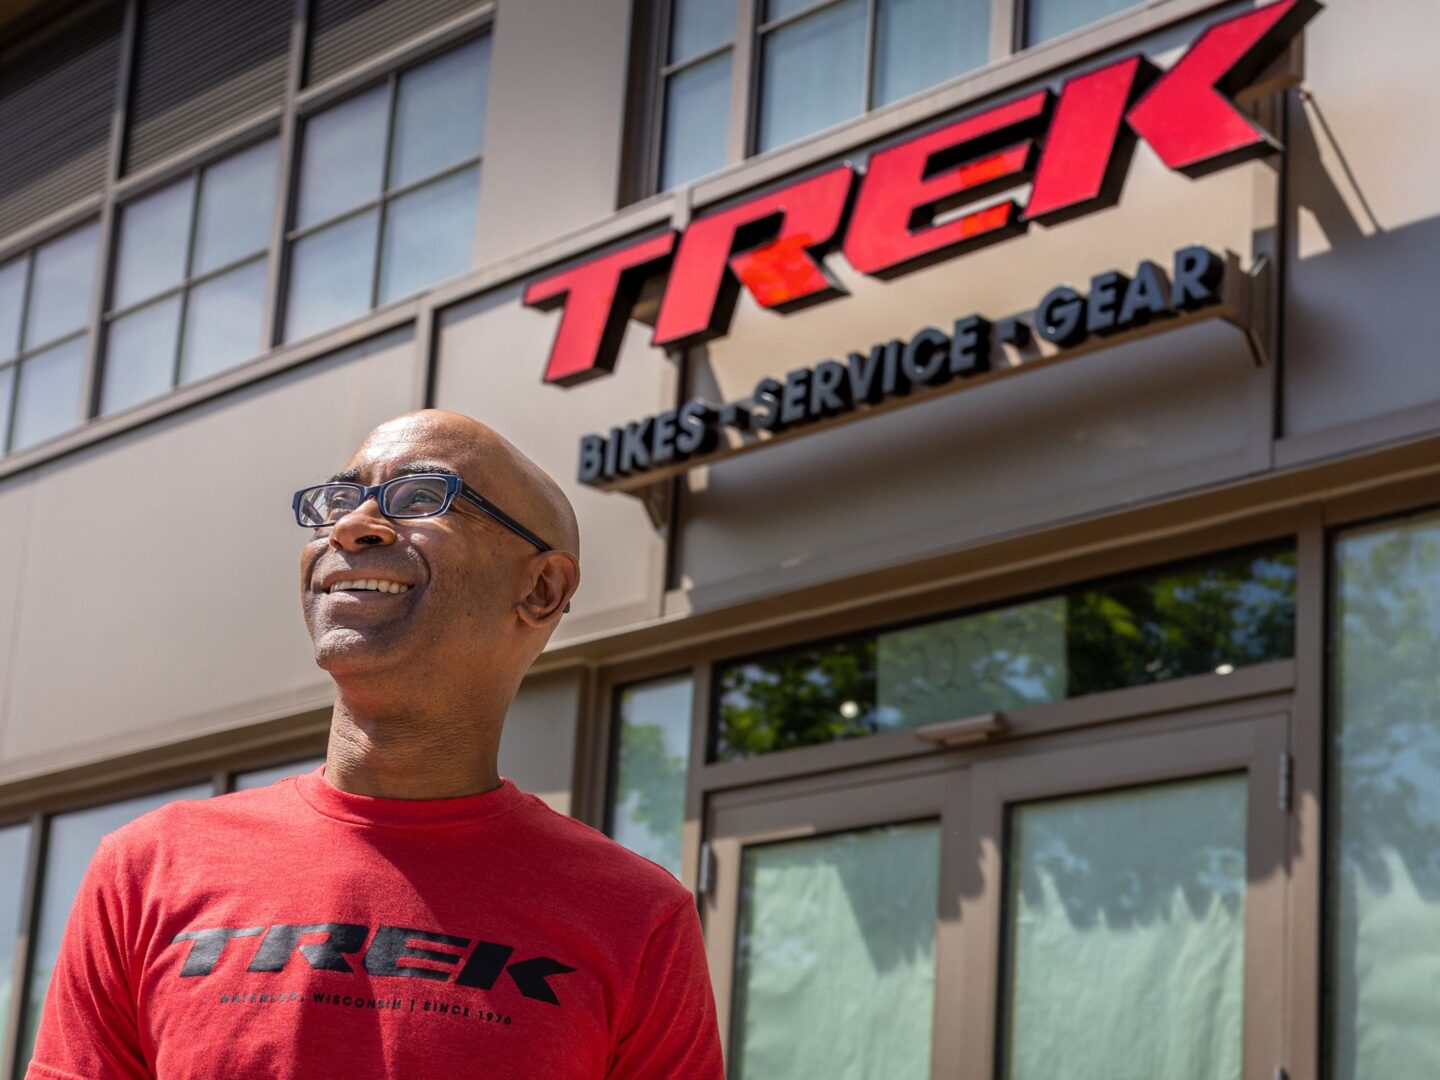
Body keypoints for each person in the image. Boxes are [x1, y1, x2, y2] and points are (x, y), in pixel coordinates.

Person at [28, 410, 724, 1079]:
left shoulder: (635, 917)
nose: (354, 525)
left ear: (542, 588)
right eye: (339, 500)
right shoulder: (148, 870)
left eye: (420, 496)